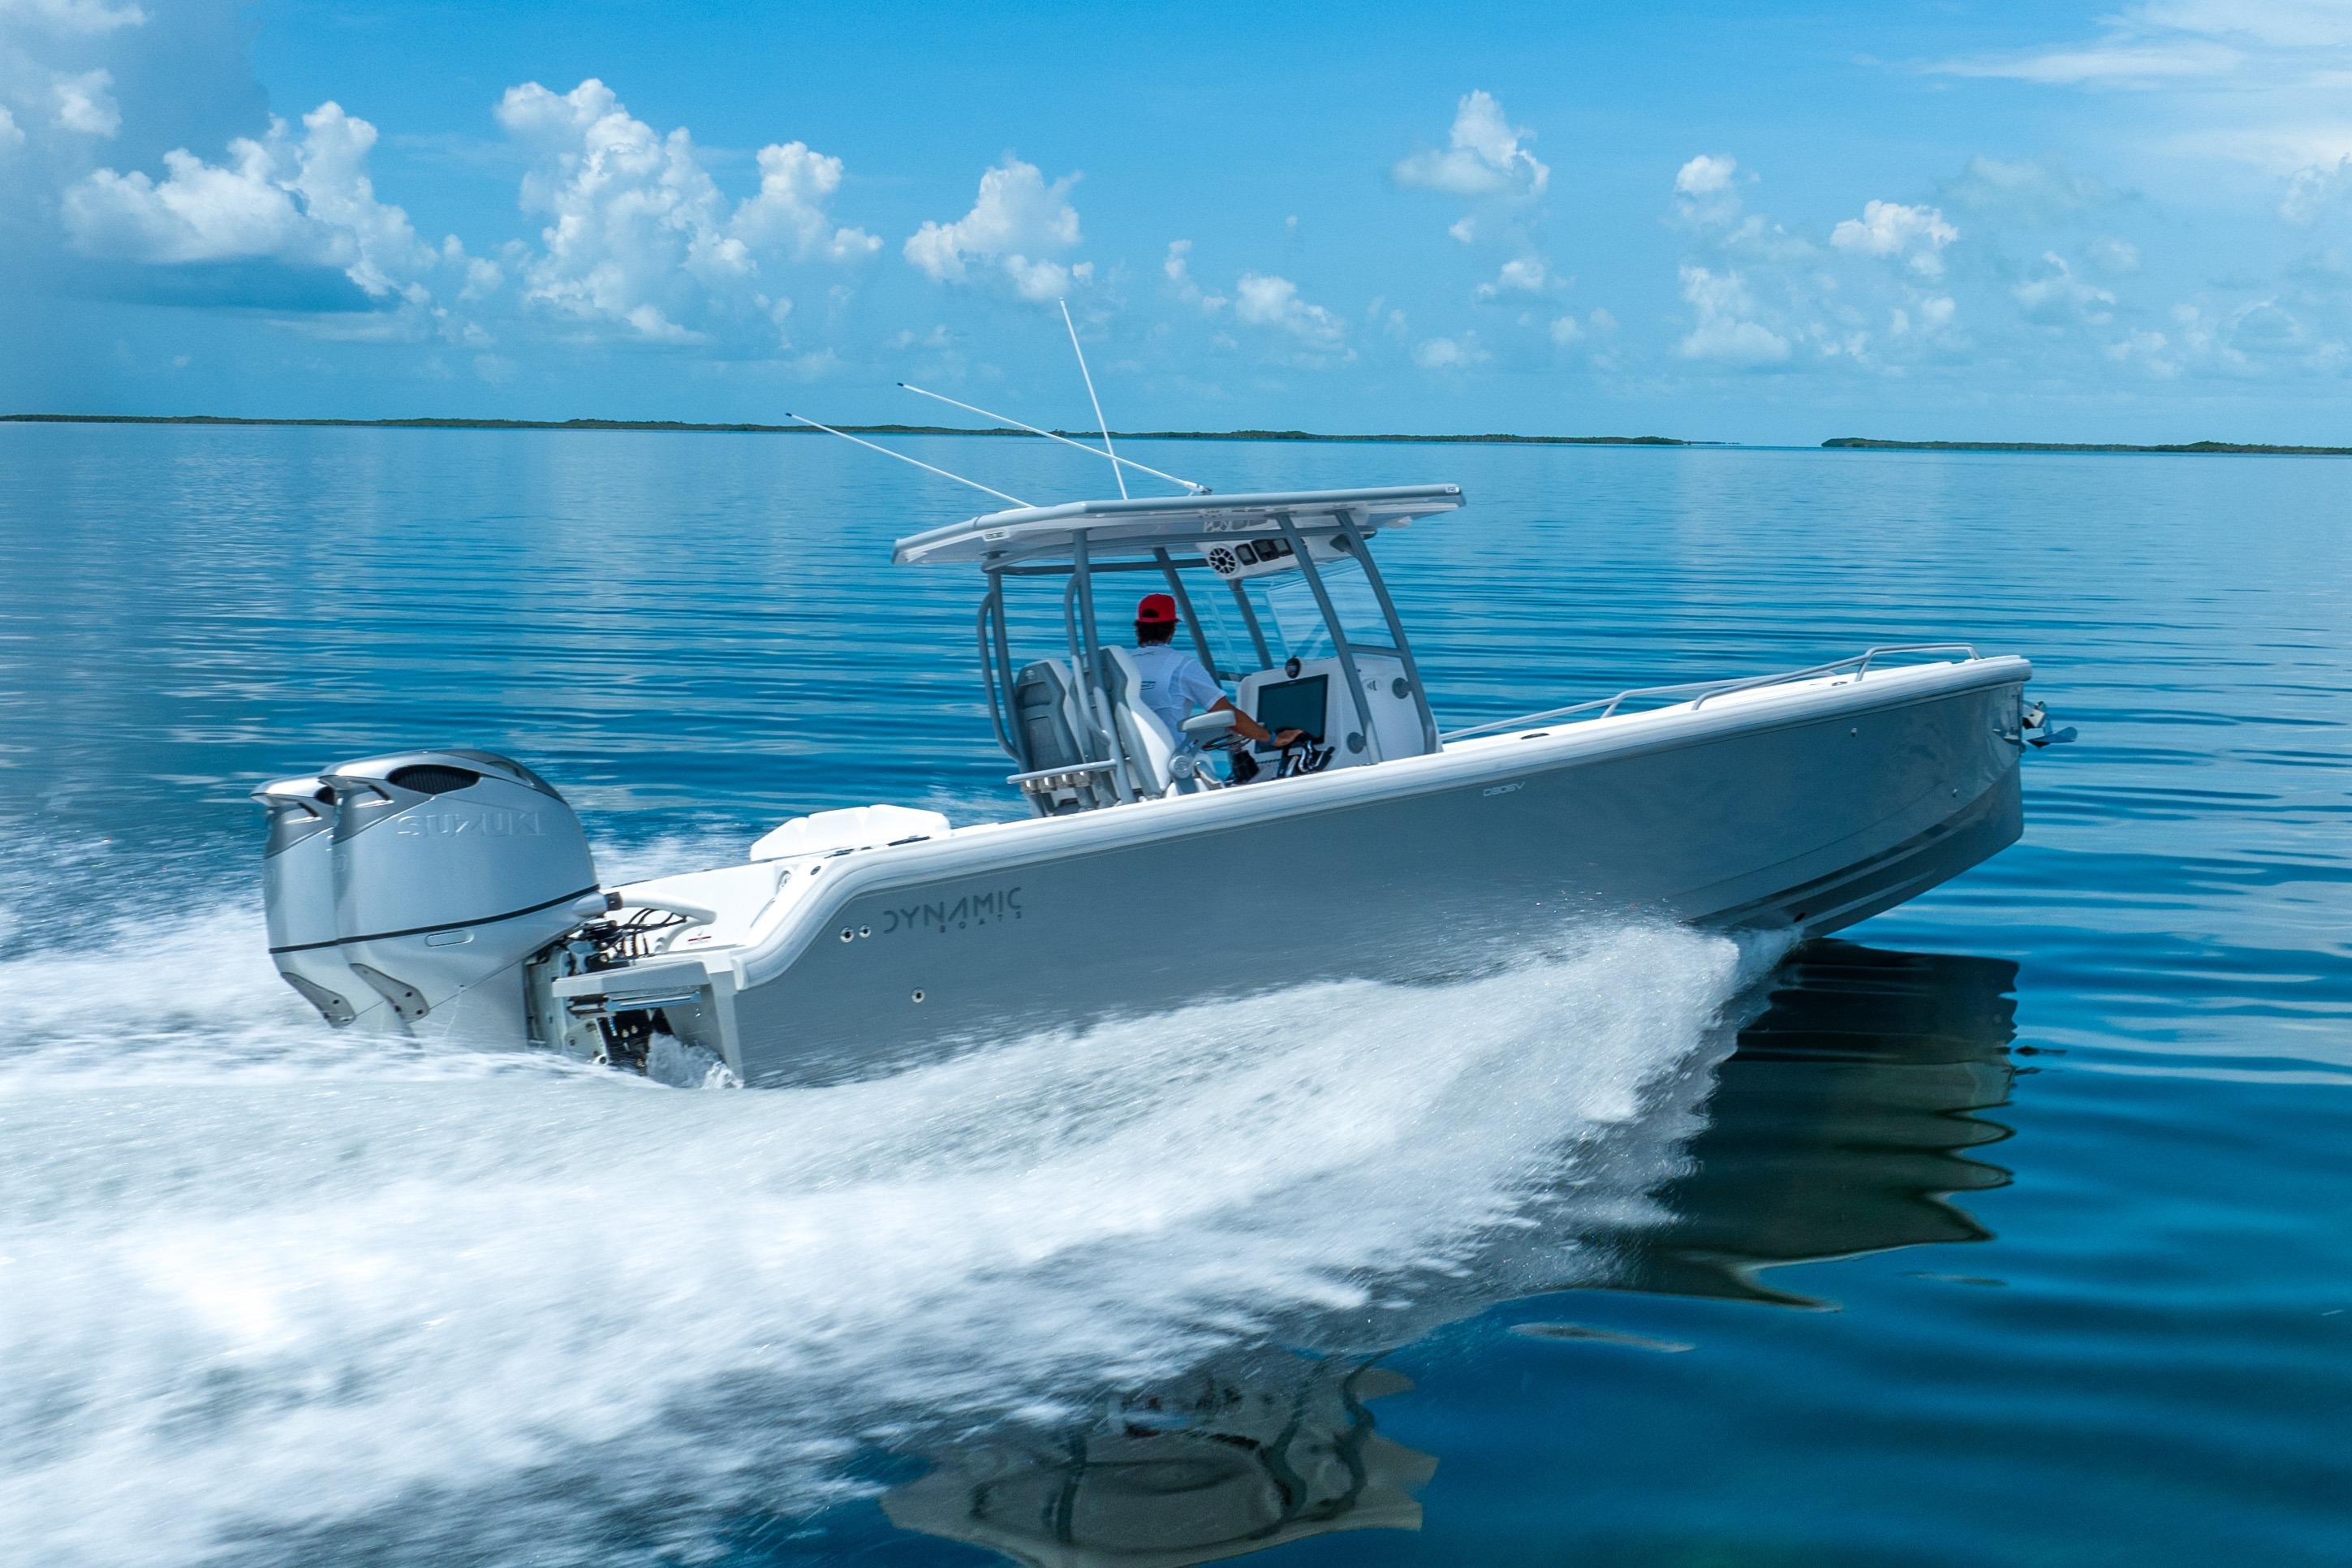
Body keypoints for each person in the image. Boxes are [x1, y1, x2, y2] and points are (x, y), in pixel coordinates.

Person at [1128, 592, 1304, 754]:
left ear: (1139, 628)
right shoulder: (1182, 666)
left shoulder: (1126, 665)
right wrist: (1273, 738)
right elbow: (1227, 715)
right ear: (1172, 628)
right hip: (1178, 762)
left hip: (1142, 760)